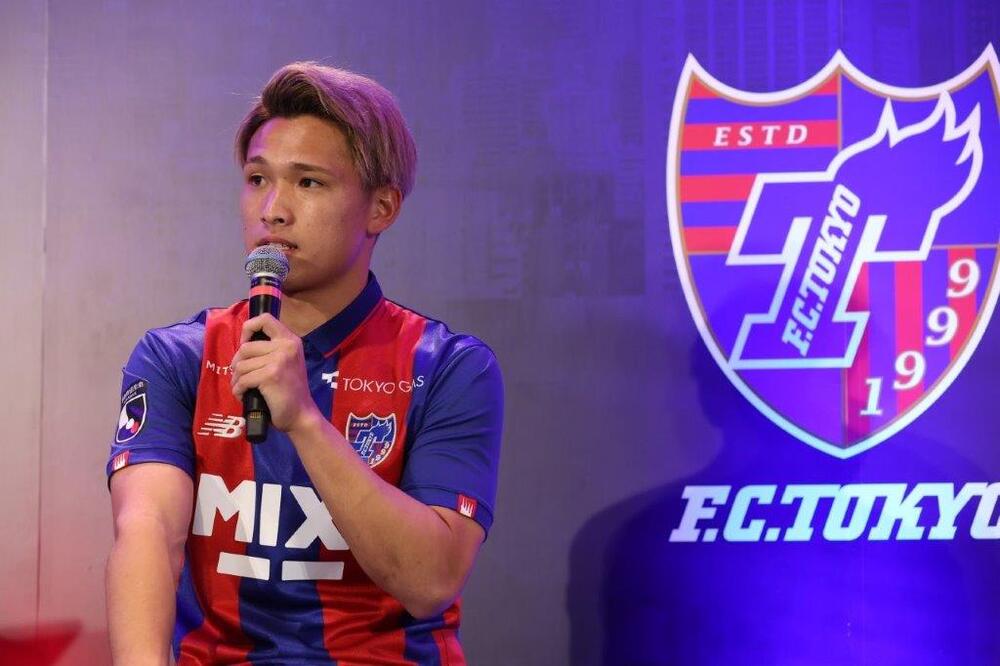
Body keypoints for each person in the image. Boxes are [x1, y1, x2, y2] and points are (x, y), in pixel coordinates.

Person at [105, 62, 503, 665]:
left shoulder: (450, 367)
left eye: (308, 182)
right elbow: (147, 533)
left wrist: (307, 422)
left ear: (382, 207)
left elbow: (430, 580)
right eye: (257, 179)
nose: (273, 209)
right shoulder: (177, 356)